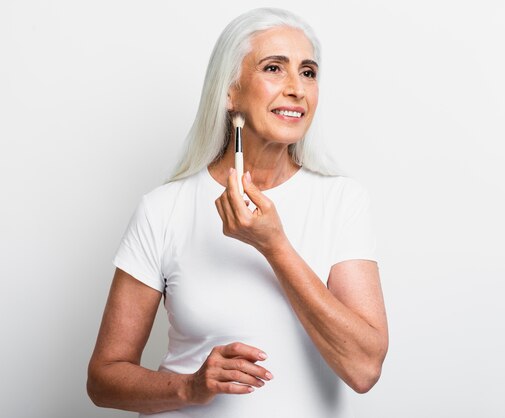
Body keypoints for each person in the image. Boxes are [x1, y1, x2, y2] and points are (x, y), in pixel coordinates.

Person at [87, 7, 388, 418]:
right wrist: (190, 388)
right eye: (273, 68)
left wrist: (274, 245)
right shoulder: (164, 209)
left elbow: (364, 368)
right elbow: (103, 380)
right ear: (230, 92)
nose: (296, 88)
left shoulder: (341, 201)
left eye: (308, 72)